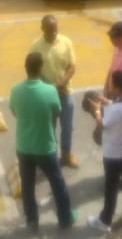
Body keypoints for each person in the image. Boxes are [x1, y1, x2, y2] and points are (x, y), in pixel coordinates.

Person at [8, 52, 77, 231]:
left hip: (24, 147)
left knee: (28, 186)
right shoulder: (50, 91)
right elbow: (55, 113)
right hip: (45, 147)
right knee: (57, 183)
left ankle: (32, 220)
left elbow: (15, 113)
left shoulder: (15, 90)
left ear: (25, 68)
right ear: (41, 68)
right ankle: (65, 218)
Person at [86, 69, 122, 232]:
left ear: (118, 88)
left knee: (111, 186)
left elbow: (101, 124)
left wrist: (97, 109)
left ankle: (105, 220)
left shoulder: (116, 111)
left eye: (112, 83)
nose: (109, 85)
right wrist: (107, 102)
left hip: (114, 154)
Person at [30, 15, 78, 169]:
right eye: (49, 30)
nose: (52, 33)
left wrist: (62, 82)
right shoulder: (36, 47)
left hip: (66, 93)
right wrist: (50, 88)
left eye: (55, 30)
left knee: (67, 126)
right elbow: (33, 72)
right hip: (46, 96)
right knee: (49, 128)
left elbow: (72, 66)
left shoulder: (66, 42)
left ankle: (66, 155)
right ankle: (51, 157)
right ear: (42, 29)